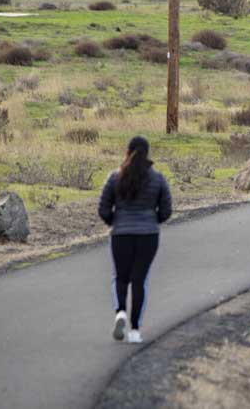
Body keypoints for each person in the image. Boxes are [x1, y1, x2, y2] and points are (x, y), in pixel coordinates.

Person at [98, 136, 173, 344]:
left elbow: (103, 208)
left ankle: (120, 311)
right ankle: (135, 330)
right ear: (148, 153)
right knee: (140, 280)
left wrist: (114, 221)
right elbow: (166, 209)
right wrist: (153, 220)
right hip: (148, 235)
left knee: (120, 278)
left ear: (127, 152)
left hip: (121, 234)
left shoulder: (115, 177)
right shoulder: (158, 179)